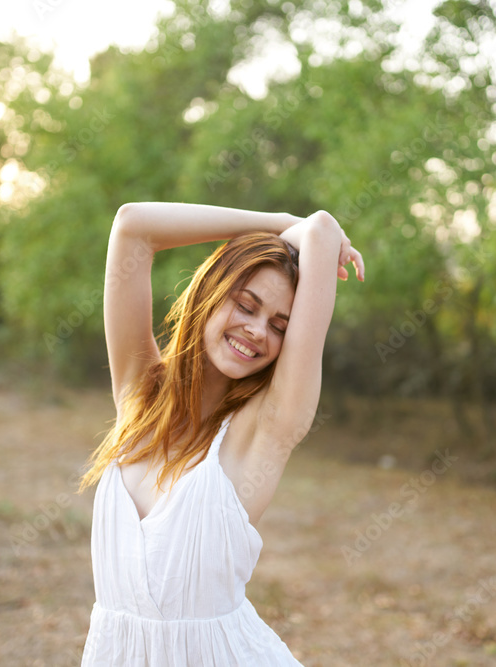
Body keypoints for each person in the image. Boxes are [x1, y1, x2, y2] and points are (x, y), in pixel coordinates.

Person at [77, 202, 364, 666]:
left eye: (279, 326)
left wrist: (307, 233)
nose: (257, 331)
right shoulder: (140, 396)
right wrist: (279, 225)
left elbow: (323, 231)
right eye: (245, 305)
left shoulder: (266, 429)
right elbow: (132, 226)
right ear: (209, 292)